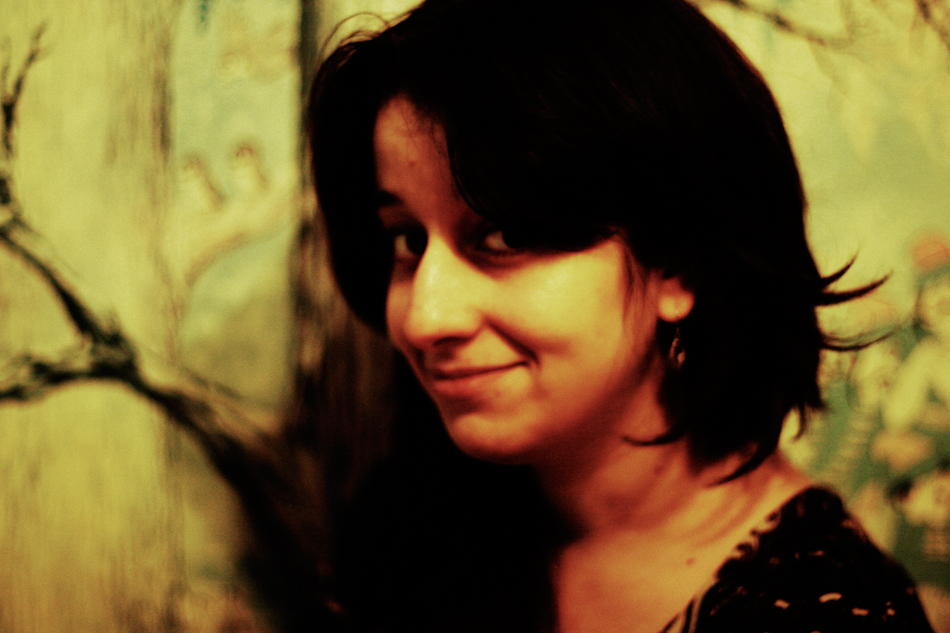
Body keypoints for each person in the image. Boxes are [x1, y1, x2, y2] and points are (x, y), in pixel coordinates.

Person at [305, 0, 937, 631]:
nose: (424, 317)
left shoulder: (826, 611)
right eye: (408, 240)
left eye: (504, 236)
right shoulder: (416, 527)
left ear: (678, 264)